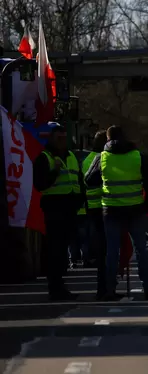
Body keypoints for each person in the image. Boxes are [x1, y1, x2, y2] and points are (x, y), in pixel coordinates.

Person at [84, 125, 148, 301]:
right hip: (135, 209)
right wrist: (147, 206)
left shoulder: (102, 157)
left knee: (112, 251)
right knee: (141, 250)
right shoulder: (138, 156)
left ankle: (109, 289)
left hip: (111, 209)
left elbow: (89, 179)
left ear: (107, 139)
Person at [33, 123, 86, 301]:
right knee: (55, 250)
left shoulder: (71, 156)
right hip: (54, 208)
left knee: (63, 249)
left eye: (65, 138)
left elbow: (79, 180)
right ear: (52, 139)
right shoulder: (44, 158)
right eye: (59, 138)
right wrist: (54, 171)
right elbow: (40, 184)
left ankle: (61, 286)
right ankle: (55, 287)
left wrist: (80, 201)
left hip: (69, 209)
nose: (63, 142)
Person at [80, 132, 107, 296]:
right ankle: (105, 287)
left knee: (93, 242)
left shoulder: (87, 159)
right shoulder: (104, 158)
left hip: (90, 206)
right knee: (105, 249)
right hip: (105, 205)